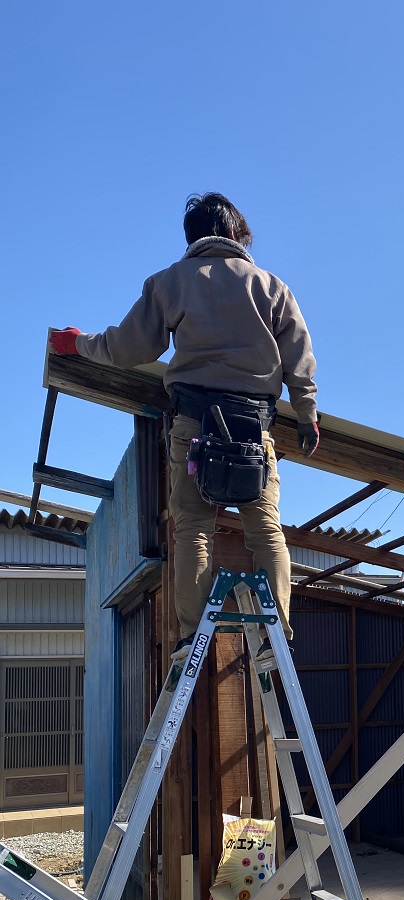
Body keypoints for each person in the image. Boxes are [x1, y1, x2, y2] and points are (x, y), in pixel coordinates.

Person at [49, 192, 319, 658]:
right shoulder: (272, 287)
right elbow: (299, 359)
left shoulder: (170, 282)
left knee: (192, 527)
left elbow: (127, 347)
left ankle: (193, 637)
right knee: (265, 531)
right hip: (255, 428)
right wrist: (308, 415)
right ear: (234, 232)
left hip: (194, 426)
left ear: (192, 238)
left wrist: (78, 344)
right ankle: (277, 638)